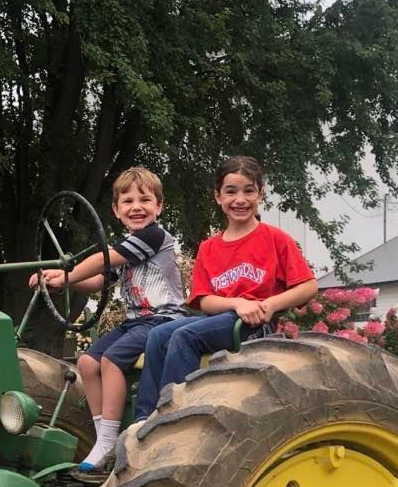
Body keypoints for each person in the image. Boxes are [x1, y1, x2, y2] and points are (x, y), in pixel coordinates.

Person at [132, 155, 317, 421]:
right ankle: (143, 419)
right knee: (158, 335)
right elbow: (204, 301)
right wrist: (236, 303)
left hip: (253, 325)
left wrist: (270, 305)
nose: (240, 200)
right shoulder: (209, 248)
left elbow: (308, 286)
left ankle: (174, 417)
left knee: (184, 337)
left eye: (248, 191)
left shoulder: (275, 239)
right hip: (221, 318)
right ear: (218, 196)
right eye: (231, 192)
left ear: (260, 194)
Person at [29, 167, 186, 471]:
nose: (137, 207)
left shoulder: (153, 237)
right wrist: (65, 282)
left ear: (159, 206)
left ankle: (111, 439)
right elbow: (100, 280)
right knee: (88, 362)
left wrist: (68, 272)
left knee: (112, 361)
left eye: (145, 200)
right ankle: (102, 437)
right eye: (127, 201)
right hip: (135, 321)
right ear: (115, 209)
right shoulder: (129, 244)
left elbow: (105, 259)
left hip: (162, 319)